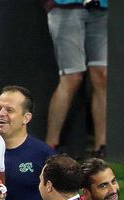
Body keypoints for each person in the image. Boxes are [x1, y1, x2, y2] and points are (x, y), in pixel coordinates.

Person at [44, 0, 108, 155]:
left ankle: (101, 149)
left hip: (102, 8)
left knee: (102, 75)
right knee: (71, 77)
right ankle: (49, 147)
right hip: (66, 6)